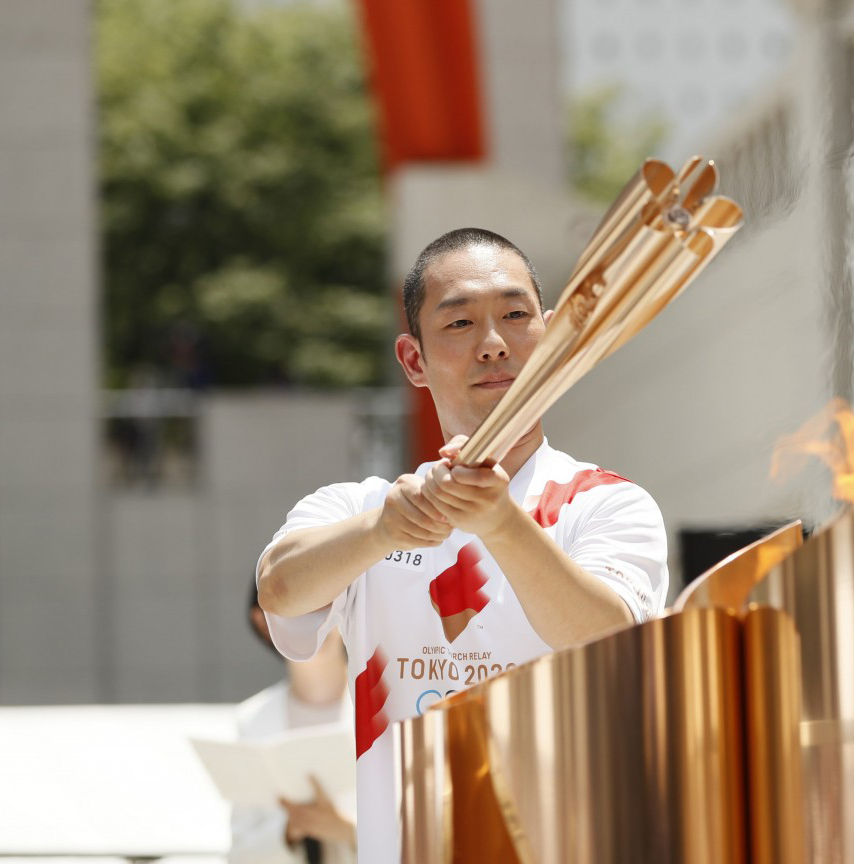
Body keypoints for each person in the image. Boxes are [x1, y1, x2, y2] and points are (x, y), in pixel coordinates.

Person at [255, 228, 670, 863]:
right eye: (459, 323)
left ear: (554, 337)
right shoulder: (362, 509)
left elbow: (610, 644)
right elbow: (280, 589)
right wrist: (386, 530)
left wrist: (502, 524)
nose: (494, 344)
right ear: (413, 360)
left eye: (514, 315)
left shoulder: (604, 503)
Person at [231, 584, 357, 864]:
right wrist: (289, 831)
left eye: (323, 604)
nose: (313, 622)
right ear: (263, 622)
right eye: (296, 609)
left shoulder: (388, 707)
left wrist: (347, 831)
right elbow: (239, 854)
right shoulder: (252, 721)